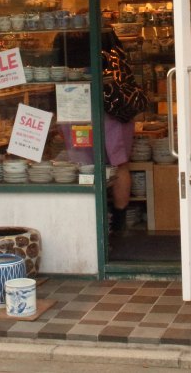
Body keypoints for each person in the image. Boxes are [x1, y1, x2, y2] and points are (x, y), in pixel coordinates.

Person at [55, 29, 147, 234]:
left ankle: (92, 222)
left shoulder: (63, 35)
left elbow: (55, 69)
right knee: (119, 164)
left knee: (83, 164)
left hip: (74, 102)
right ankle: (118, 224)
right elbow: (121, 65)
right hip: (112, 105)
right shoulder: (105, 33)